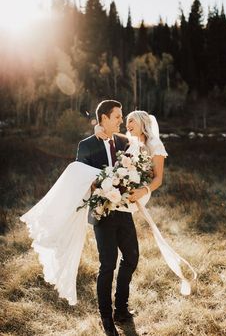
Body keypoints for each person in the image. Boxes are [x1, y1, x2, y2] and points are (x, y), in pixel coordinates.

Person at [77, 102, 168, 336]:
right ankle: (106, 317)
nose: (121, 121)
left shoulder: (123, 142)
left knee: (131, 257)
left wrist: (141, 187)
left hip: (124, 211)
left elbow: (142, 155)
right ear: (104, 118)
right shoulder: (86, 146)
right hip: (103, 212)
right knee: (107, 264)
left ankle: (121, 308)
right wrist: (103, 186)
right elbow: (82, 179)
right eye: (117, 117)